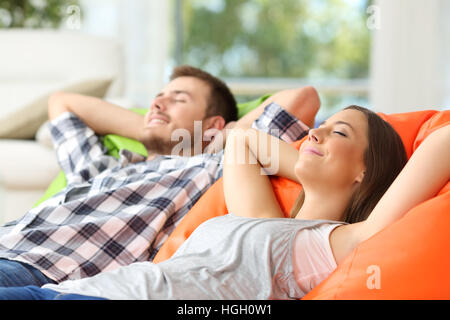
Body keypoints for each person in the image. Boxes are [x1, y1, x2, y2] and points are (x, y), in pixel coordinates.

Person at [0, 106, 447, 300]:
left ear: (365, 171)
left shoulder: (335, 245)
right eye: (321, 126)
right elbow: (242, 143)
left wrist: (329, 169)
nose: (316, 132)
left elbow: (442, 140)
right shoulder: (262, 219)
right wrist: (318, 159)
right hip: (77, 290)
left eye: (340, 133)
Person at [0, 65, 320, 287]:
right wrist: (148, 127)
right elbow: (63, 103)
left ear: (214, 125)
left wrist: (209, 137)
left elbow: (303, 99)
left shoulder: (212, 167)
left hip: (41, 270)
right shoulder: (103, 168)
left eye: (179, 99)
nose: (157, 102)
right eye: (158, 97)